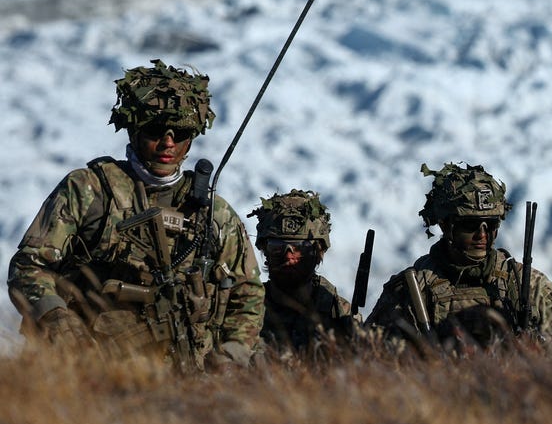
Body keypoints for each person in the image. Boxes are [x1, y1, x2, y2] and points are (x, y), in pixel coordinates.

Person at [7, 59, 264, 371]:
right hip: (88, 370)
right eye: (156, 130)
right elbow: (29, 266)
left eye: (180, 132)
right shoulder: (90, 189)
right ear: (134, 130)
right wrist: (59, 322)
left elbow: (247, 294)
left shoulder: (214, 213)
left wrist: (230, 355)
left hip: (188, 377)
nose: (168, 143)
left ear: (192, 137)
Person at [367, 162, 552, 351]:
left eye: (491, 224)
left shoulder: (524, 284)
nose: (482, 234)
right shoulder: (413, 290)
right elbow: (374, 361)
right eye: (470, 225)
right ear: (446, 226)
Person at [248, 189, 361, 357]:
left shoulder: (338, 311)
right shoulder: (246, 310)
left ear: (318, 252)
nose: (288, 256)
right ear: (265, 252)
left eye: (300, 248)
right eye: (277, 248)